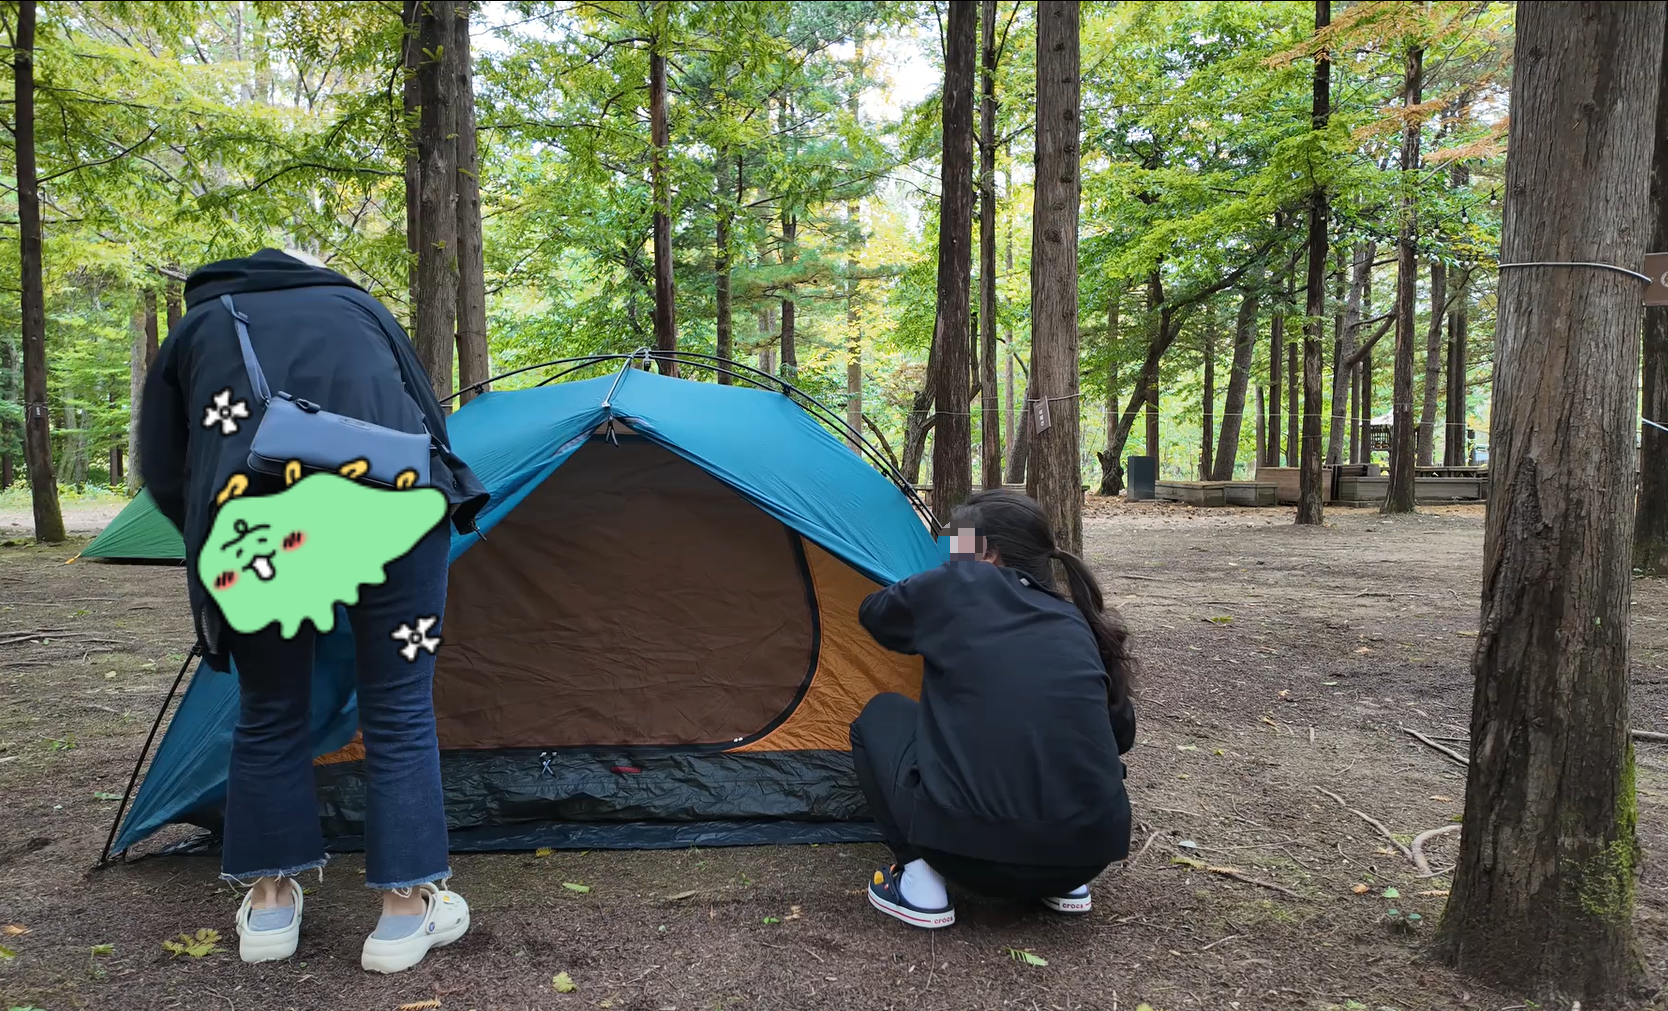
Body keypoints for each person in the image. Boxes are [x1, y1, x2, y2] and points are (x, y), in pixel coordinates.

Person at [139, 248, 489, 972]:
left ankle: (270, 907)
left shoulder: (198, 325)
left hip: (261, 525)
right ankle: (404, 915)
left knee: (270, 706)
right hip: (397, 507)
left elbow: (164, 468)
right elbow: (427, 419)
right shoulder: (361, 308)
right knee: (399, 706)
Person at [848, 488, 1136, 928]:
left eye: (958, 546)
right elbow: (1120, 735)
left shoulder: (960, 584)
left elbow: (876, 613)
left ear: (985, 553)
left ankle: (919, 880)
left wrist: (941, 581)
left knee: (881, 713)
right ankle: (1061, 885)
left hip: (970, 858)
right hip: (1085, 857)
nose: (952, 556)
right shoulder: (1075, 620)